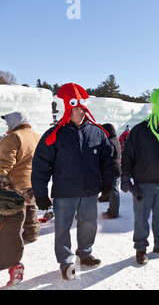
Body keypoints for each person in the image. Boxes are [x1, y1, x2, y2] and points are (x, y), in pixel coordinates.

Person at [31, 83, 114, 280]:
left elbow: (107, 162)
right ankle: (66, 262)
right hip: (64, 192)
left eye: (82, 109)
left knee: (88, 225)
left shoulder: (97, 132)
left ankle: (84, 254)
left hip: (90, 191)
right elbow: (41, 165)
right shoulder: (54, 135)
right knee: (62, 229)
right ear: (68, 109)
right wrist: (41, 193)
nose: (80, 112)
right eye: (75, 108)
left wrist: (108, 184)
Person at [121, 88, 159, 266]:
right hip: (143, 183)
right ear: (155, 111)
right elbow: (127, 156)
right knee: (141, 217)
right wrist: (125, 178)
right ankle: (141, 249)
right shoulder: (139, 130)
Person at [0, 112, 41, 243]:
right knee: (30, 207)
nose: (6, 125)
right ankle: (32, 234)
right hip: (34, 180)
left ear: (15, 121)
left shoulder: (13, 137)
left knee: (14, 212)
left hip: (15, 183)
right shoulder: (37, 137)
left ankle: (11, 239)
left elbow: (5, 161)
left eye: (8, 121)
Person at [99, 123, 122, 219]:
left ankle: (113, 212)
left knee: (114, 190)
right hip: (117, 168)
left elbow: (109, 156)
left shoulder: (110, 142)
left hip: (112, 169)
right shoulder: (115, 140)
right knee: (114, 189)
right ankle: (111, 208)